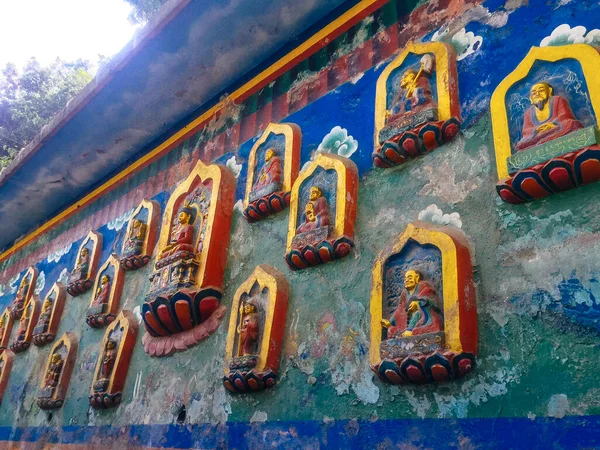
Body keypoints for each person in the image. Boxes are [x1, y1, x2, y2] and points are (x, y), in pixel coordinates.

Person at [516, 82, 585, 152]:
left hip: (556, 129)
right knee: (521, 144)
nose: (537, 94)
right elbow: (526, 131)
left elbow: (565, 116)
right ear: (531, 98)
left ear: (549, 91)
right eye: (534, 93)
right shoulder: (528, 112)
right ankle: (544, 143)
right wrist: (536, 130)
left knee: (571, 124)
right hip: (538, 135)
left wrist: (553, 124)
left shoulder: (558, 100)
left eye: (541, 90)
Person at [381, 269, 443, 338]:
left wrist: (418, 303)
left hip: (425, 316)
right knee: (392, 328)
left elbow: (431, 299)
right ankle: (407, 331)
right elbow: (400, 309)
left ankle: (410, 330)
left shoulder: (423, 286)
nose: (406, 280)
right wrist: (390, 322)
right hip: (410, 318)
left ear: (417, 278)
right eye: (405, 279)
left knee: (417, 313)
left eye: (410, 278)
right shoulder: (404, 293)